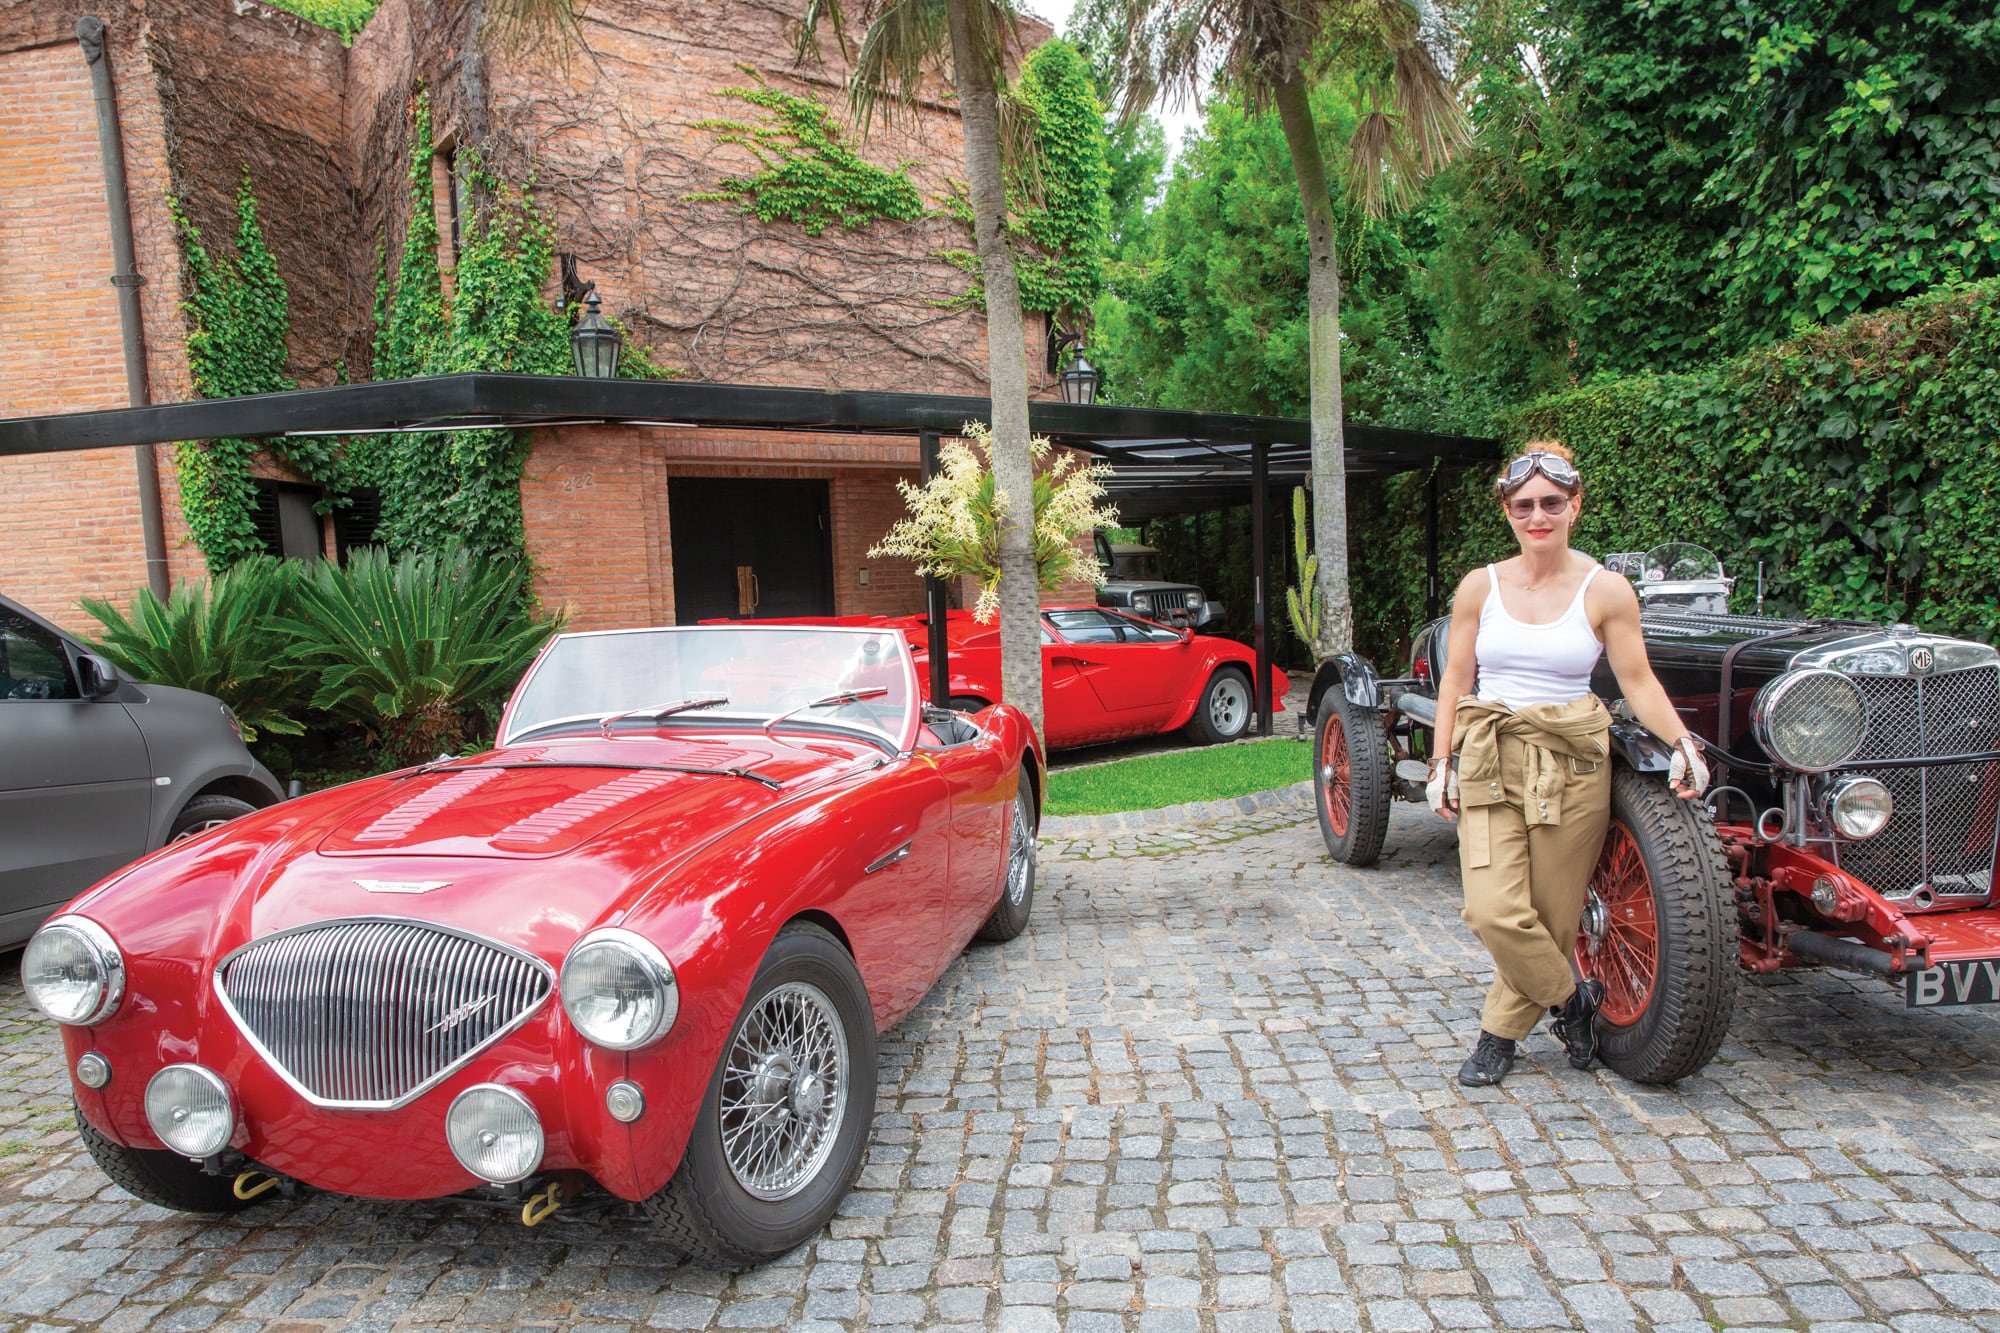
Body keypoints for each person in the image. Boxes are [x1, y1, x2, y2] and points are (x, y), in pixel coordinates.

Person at [1426, 442, 1709, 1087]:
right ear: (1508, 512)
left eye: (1552, 503)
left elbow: (1636, 680)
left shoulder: (1605, 589)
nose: (1538, 516)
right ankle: (1571, 999)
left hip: (1574, 764)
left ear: (1574, 506)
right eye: (1524, 505)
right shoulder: (1481, 586)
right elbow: (1456, 680)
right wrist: (1440, 760)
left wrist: (1682, 743)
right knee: (1492, 909)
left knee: (1552, 915)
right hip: (1491, 756)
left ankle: (1498, 1036)